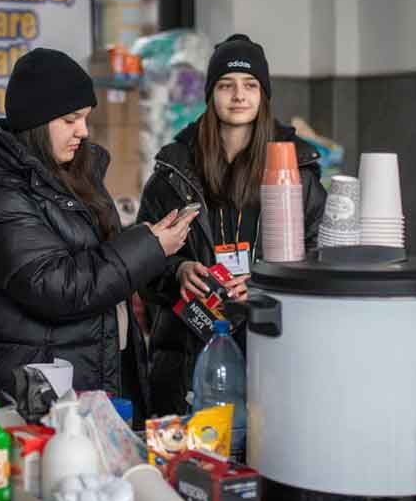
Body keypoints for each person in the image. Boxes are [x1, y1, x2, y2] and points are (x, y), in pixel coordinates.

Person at [0, 48, 196, 416]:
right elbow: (57, 286)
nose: (83, 130)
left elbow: (96, 254)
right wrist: (148, 246)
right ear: (36, 122)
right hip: (34, 391)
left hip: (85, 374)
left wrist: (165, 258)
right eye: (70, 119)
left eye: (84, 118)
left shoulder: (71, 172)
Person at [138, 34, 327, 416]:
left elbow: (321, 257)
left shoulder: (297, 172)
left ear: (263, 95)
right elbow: (141, 259)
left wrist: (265, 281)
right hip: (189, 352)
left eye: (250, 85)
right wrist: (179, 269)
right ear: (211, 94)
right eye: (226, 85)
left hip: (272, 345)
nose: (239, 96)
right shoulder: (174, 172)